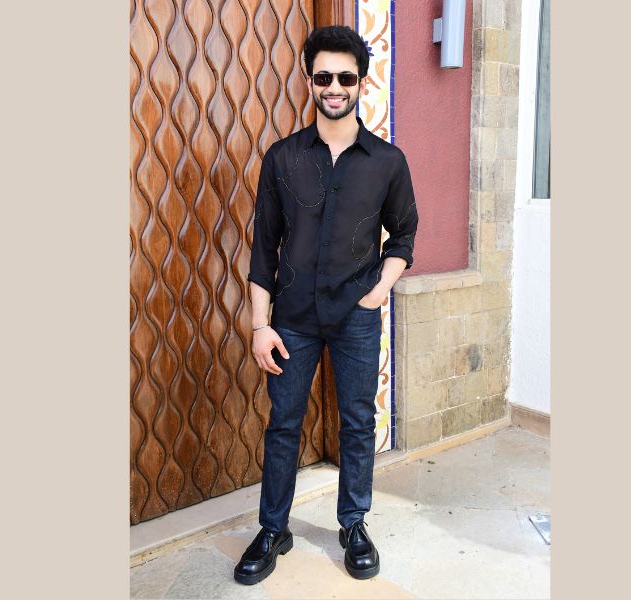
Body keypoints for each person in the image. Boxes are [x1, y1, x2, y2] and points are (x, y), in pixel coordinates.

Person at [234, 24, 418, 585]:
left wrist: (377, 293)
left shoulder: (387, 161)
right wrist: (260, 325)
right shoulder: (282, 158)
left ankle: (353, 524)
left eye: (345, 77)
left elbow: (404, 236)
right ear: (310, 81)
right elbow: (263, 248)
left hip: (356, 318)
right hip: (291, 319)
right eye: (323, 77)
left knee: (358, 422)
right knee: (283, 424)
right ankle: (273, 529)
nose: (334, 87)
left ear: (361, 82)